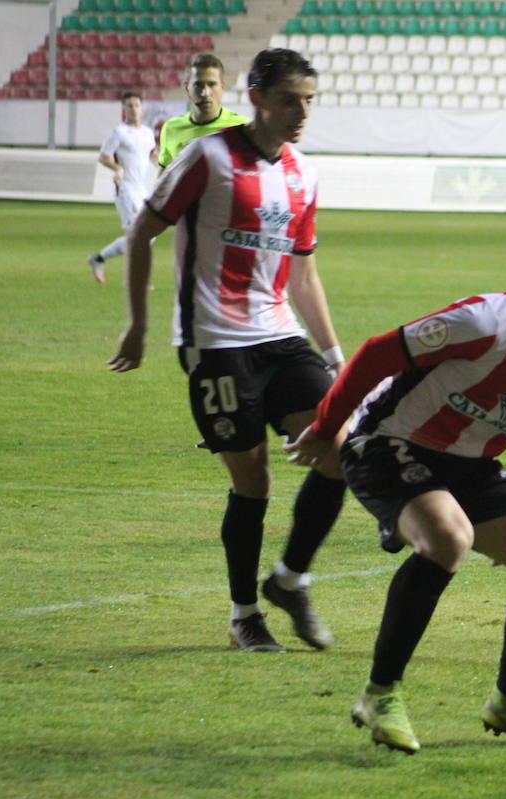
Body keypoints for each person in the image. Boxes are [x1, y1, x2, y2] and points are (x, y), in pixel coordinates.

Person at [285, 239, 506, 754]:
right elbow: (376, 353)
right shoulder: (492, 320)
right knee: (448, 539)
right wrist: (326, 427)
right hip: (389, 442)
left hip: (472, 465)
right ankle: (379, 694)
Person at [109, 48, 348, 654]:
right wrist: (137, 324)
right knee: (254, 479)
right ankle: (245, 614)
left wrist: (334, 352)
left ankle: (290, 580)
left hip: (280, 335)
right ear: (259, 99)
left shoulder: (304, 174)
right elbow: (143, 231)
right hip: (216, 345)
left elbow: (304, 273)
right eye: (290, 99)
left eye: (310, 100)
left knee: (339, 450)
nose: (302, 112)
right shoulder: (208, 156)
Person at [87, 91, 156, 284]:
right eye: (129, 106)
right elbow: (104, 156)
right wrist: (117, 168)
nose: (133, 109)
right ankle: (135, 279)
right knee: (139, 234)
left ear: (142, 108)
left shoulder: (148, 133)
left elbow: (152, 154)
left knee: (149, 236)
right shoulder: (119, 132)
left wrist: (166, 167)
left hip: (142, 190)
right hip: (125, 189)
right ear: (124, 109)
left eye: (136, 105)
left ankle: (98, 258)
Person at [157, 52, 248, 170]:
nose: (205, 93)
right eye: (198, 85)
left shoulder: (241, 128)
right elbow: (164, 177)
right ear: (187, 87)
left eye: (212, 84)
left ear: (222, 86)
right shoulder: (171, 129)